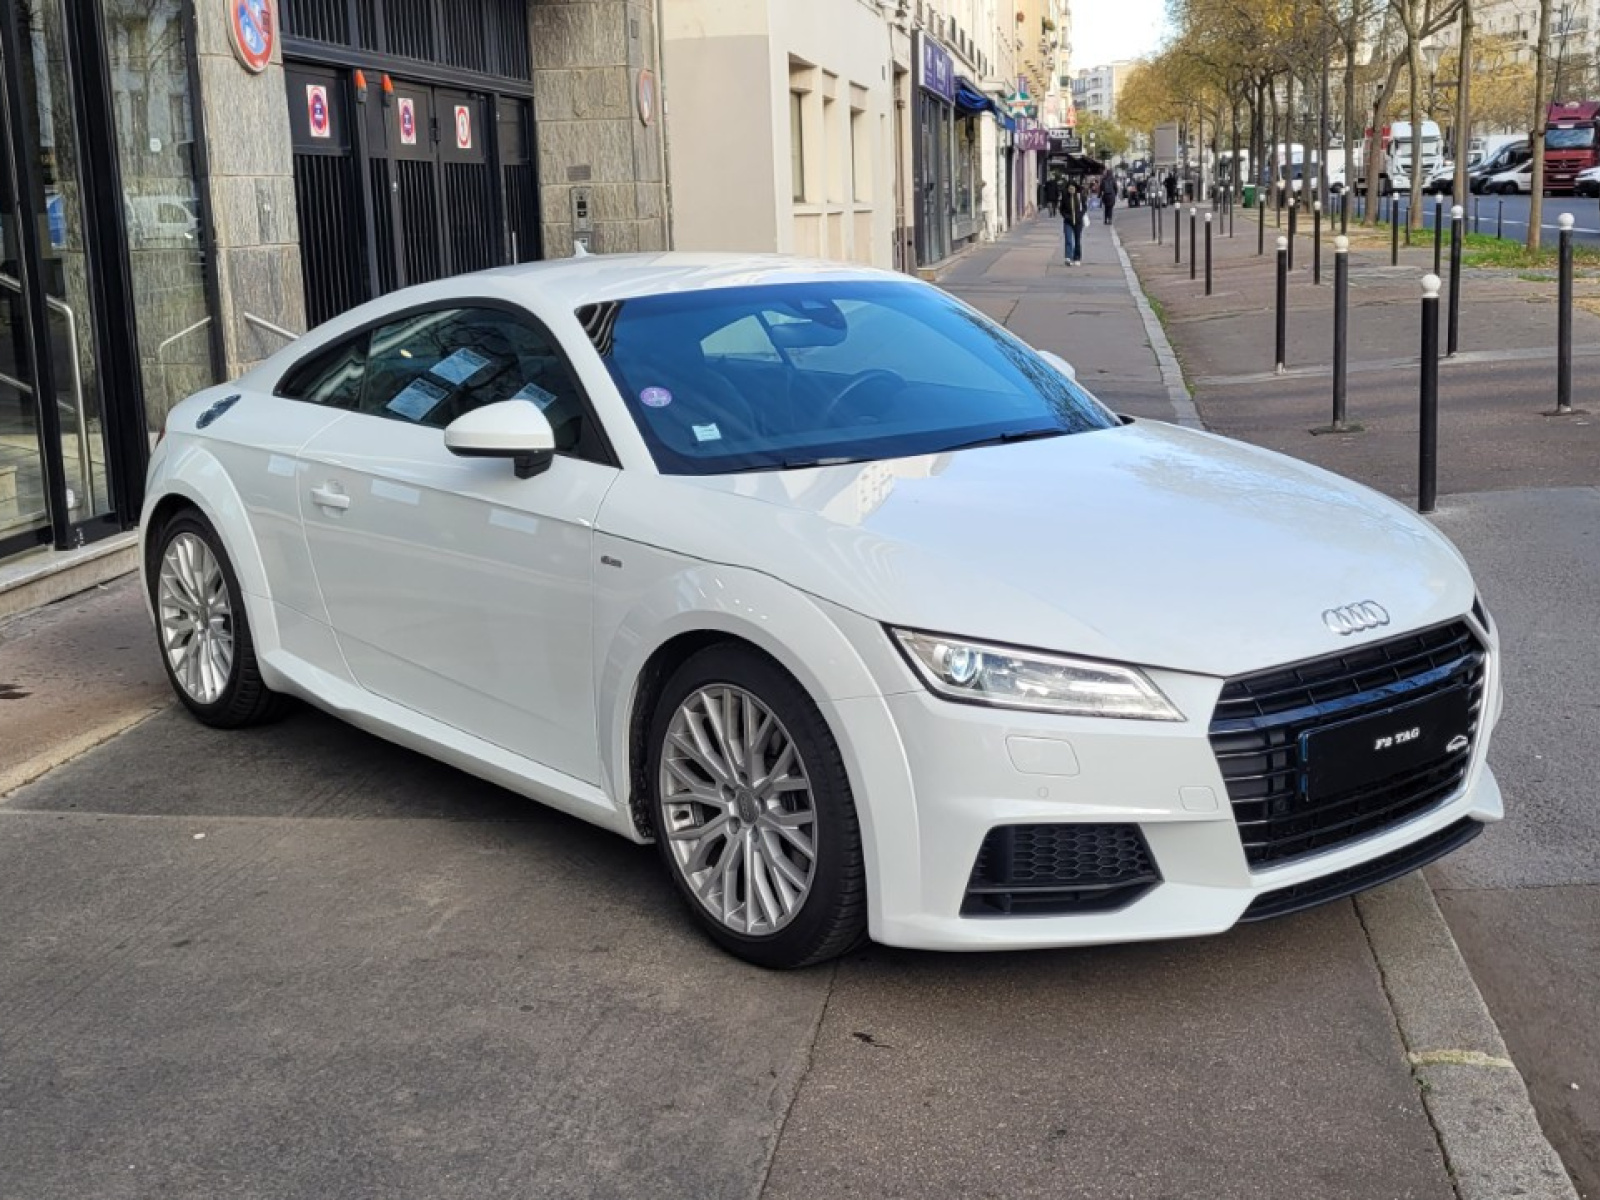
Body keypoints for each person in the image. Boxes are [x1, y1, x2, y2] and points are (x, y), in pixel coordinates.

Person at [1061, 177, 1086, 265]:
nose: (1071, 190)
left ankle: (1077, 257)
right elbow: (1061, 209)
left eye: (1072, 188)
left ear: (1075, 188)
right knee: (1068, 239)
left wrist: (1080, 215)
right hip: (1068, 221)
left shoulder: (1079, 196)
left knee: (1077, 240)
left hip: (1078, 222)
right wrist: (1066, 216)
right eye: (1069, 188)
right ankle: (1068, 257)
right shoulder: (1065, 197)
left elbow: (1084, 207)